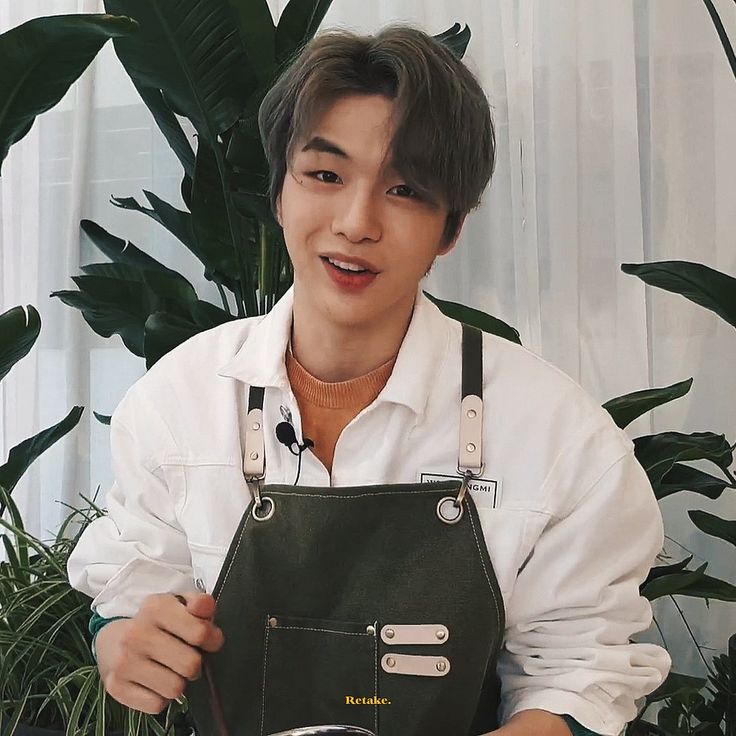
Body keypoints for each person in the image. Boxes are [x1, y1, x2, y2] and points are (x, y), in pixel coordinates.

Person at [66, 23, 671, 736]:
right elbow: (135, 586)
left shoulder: (561, 436)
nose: (356, 223)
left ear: (451, 227)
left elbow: (581, 673)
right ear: (280, 194)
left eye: (406, 189)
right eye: (325, 175)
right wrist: (124, 641)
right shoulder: (180, 402)